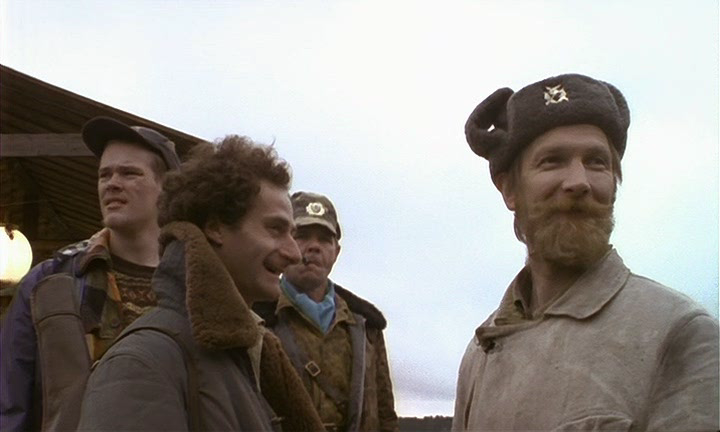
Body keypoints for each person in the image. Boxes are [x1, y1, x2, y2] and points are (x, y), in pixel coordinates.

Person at [452, 73, 720, 431]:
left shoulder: (680, 334)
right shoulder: (479, 352)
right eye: (552, 161)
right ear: (509, 190)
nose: (579, 181)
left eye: (596, 162)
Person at [77, 135, 325, 431]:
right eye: (275, 229)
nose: (294, 253)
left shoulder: (245, 355)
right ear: (215, 227)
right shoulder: (141, 363)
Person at [0, 116, 181, 431]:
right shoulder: (49, 282)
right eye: (104, 174)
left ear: (166, 189)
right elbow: (9, 400)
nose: (112, 183)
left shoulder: (194, 284)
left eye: (129, 173)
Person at [254, 191, 399, 432]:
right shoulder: (254, 320)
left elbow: (386, 417)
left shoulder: (366, 325)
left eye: (324, 240)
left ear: (336, 252)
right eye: (301, 236)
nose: (314, 247)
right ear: (284, 244)